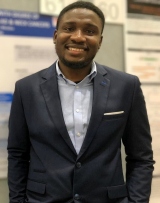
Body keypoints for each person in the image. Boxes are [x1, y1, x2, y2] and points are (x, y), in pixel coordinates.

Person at [8, 1, 154, 203]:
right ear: (55, 35)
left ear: (100, 41)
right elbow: (18, 155)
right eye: (69, 28)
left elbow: (141, 157)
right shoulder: (26, 89)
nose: (78, 37)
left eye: (89, 31)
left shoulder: (127, 86)